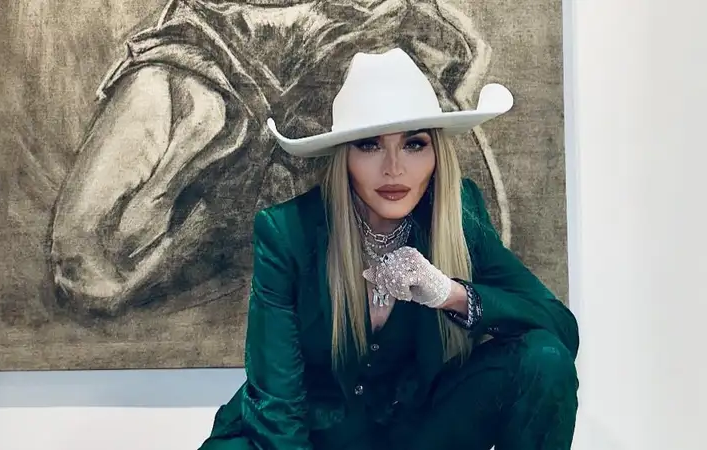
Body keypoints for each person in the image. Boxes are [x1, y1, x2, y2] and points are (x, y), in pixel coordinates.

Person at [199, 48, 579, 450]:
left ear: (436, 154)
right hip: (313, 435)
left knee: (544, 359)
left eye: (414, 144)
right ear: (344, 157)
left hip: (416, 433)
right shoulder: (287, 232)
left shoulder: (459, 214)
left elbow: (560, 330)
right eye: (369, 145)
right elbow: (277, 406)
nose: (394, 168)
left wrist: (451, 294)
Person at [48, 0, 505, 317]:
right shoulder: (178, 77)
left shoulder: (384, 64)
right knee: (92, 249)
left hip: (353, 29)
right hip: (212, 36)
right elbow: (82, 265)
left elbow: (500, 289)